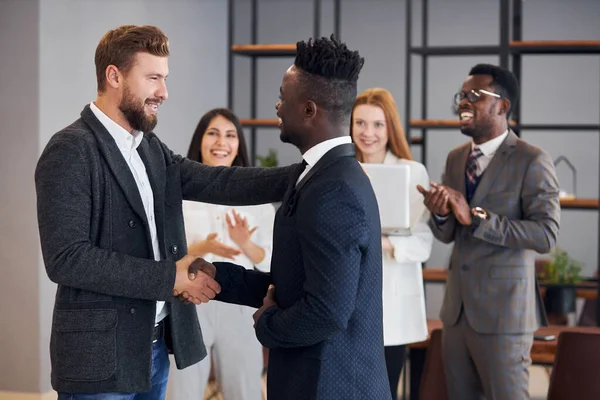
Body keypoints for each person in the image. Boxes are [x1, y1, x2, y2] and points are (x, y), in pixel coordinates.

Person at [34, 25, 297, 399]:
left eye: (165, 78)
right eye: (153, 78)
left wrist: (306, 173)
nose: (164, 92)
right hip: (100, 360)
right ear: (114, 76)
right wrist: (168, 278)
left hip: (154, 348)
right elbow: (66, 259)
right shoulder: (70, 150)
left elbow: (221, 182)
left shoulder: (149, 148)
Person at [185, 35, 391, 400]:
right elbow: (293, 284)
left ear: (309, 110)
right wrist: (220, 276)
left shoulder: (334, 191)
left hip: (327, 386)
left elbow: (325, 312)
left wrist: (267, 325)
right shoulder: (319, 175)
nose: (278, 105)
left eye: (283, 96)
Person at [417, 63, 560, 400]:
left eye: (474, 96)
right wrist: (440, 216)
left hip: (505, 318)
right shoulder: (455, 159)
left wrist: (478, 218)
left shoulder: (532, 160)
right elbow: (451, 233)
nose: (463, 102)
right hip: (456, 315)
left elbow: (546, 234)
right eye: (461, 96)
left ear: (503, 106)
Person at [167, 108, 275, 400]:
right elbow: (163, 256)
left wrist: (245, 242)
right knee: (183, 390)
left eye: (230, 135)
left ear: (239, 144)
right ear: (200, 140)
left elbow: (272, 264)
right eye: (213, 133)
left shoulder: (258, 200)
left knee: (245, 390)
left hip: (240, 306)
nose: (221, 142)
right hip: (190, 303)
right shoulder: (178, 196)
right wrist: (202, 249)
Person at [350, 87, 433, 399]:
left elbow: (424, 242)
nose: (368, 133)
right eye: (360, 123)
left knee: (384, 388)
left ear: (390, 129)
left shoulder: (412, 173)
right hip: (345, 298)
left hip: (390, 302)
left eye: (377, 125)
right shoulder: (338, 170)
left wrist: (386, 244)